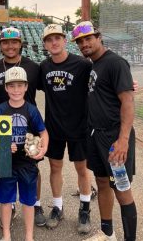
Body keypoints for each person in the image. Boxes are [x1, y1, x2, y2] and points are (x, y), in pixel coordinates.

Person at [72, 21, 137, 241]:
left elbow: (128, 102)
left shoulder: (115, 63)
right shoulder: (94, 65)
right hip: (96, 135)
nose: (84, 44)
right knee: (101, 182)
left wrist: (123, 140)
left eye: (88, 38)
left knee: (121, 187)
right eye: (80, 41)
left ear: (99, 37)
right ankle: (107, 232)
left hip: (114, 136)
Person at [0, 27, 47, 226]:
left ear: (20, 43)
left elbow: (48, 87)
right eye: (5, 42)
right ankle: (10, 206)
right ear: (0, 45)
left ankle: (35, 204)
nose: (10, 46)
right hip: (5, 122)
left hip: (28, 123)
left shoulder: (33, 67)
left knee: (32, 169)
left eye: (14, 42)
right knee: (7, 168)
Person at [39, 24, 93, 233]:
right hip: (54, 127)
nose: (54, 42)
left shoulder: (82, 64)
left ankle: (85, 209)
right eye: (49, 39)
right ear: (45, 44)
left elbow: (102, 80)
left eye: (57, 38)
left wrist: (126, 84)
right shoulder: (44, 67)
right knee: (55, 167)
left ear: (64, 40)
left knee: (82, 169)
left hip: (79, 127)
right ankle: (58, 207)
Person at [0, 67, 49, 241]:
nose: (16, 90)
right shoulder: (1, 109)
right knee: (5, 200)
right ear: (6, 88)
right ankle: (6, 235)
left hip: (27, 162)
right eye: (12, 86)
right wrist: (4, 145)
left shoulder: (31, 110)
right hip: (7, 163)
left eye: (20, 85)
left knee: (28, 201)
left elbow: (43, 132)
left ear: (26, 87)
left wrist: (43, 149)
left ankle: (29, 236)